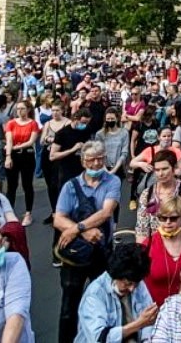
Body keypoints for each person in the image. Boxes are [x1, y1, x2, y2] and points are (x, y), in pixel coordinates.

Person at [54, 141, 121, 342]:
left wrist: (76, 228)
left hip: (101, 252)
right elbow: (58, 218)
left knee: (106, 301)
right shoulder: (70, 186)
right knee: (69, 306)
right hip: (76, 254)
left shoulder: (112, 181)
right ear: (83, 161)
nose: (96, 163)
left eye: (100, 158)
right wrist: (84, 233)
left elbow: (106, 212)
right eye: (91, 159)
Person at [76, 242, 158, 343]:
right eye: (127, 283)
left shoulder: (138, 283)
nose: (132, 289)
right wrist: (138, 324)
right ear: (115, 276)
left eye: (135, 284)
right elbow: (99, 339)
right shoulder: (95, 295)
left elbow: (149, 324)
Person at [142, 196, 181, 306]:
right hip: (154, 310)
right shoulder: (148, 245)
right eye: (162, 218)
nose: (167, 222)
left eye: (173, 218)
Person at [135, 150, 181, 242]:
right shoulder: (147, 194)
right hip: (154, 246)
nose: (160, 174)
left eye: (165, 169)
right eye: (157, 170)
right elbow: (142, 229)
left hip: (178, 242)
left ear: (174, 168)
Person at [4, 101, 39, 227]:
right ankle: (9, 214)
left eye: (22, 108)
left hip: (27, 155)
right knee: (11, 186)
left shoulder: (33, 123)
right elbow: (9, 140)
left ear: (28, 109)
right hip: (13, 154)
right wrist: (8, 156)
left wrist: (14, 147)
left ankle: (28, 213)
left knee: (27, 184)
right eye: (18, 109)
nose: (19, 111)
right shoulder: (11, 123)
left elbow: (31, 141)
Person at [95, 107, 130, 175]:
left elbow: (124, 153)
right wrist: (105, 169)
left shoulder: (124, 133)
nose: (110, 121)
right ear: (105, 119)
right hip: (102, 167)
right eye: (108, 119)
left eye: (112, 119)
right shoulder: (99, 134)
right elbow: (98, 152)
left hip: (118, 168)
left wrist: (114, 170)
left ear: (117, 119)